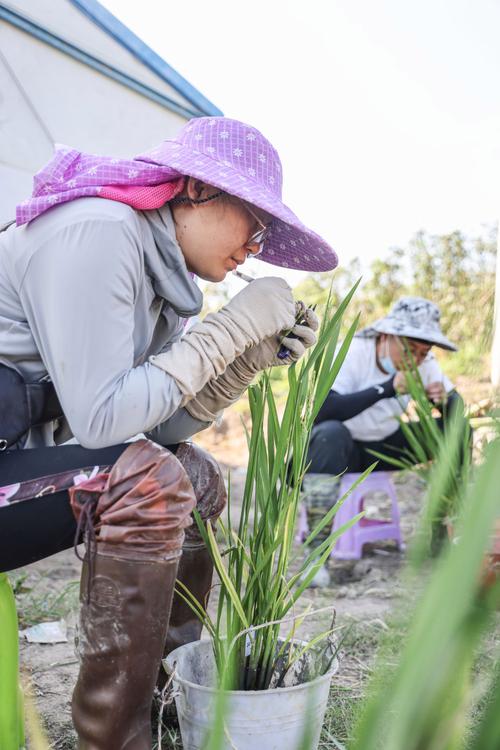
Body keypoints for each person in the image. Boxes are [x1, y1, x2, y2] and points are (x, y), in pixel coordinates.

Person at [0, 116, 336, 748]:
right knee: (149, 481)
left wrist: (247, 359)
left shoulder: (160, 280)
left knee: (196, 476)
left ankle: (159, 711)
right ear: (197, 190)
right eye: (253, 223)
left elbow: (159, 424)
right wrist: (228, 328)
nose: (255, 247)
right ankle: (116, 739)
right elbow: (104, 422)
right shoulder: (97, 231)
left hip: (14, 464)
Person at [303, 296, 463, 587]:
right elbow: (323, 409)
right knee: (330, 432)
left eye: (423, 352)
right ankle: (316, 558)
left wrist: (443, 402)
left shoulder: (424, 363)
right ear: (387, 336)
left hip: (383, 447)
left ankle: (441, 538)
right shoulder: (353, 352)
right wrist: (387, 388)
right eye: (410, 350)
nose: (415, 359)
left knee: (458, 431)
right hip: (341, 451)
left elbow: (457, 411)